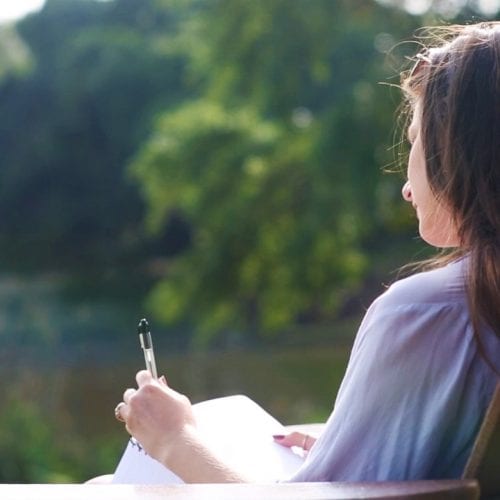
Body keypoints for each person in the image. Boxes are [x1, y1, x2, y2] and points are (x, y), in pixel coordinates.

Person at [113, 22, 500, 482]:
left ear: (458, 155)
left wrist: (172, 438)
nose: (406, 188)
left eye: (415, 140)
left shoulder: (430, 313)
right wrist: (363, 446)